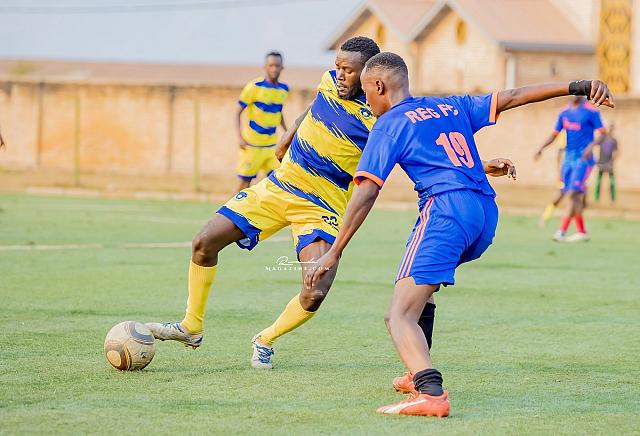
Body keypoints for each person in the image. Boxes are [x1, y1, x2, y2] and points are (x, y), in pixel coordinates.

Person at [306, 52, 613, 417]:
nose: (366, 101)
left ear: (378, 86)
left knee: (398, 315)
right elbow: (514, 96)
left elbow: (367, 191)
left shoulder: (388, 125)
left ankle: (430, 392)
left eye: (366, 92)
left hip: (446, 212)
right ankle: (414, 370)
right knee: (419, 289)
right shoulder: (449, 106)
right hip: (484, 214)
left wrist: (335, 250)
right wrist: (579, 85)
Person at [146, 36, 381, 369]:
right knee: (203, 242)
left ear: (369, 74)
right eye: (338, 67)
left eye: (349, 70)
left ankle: (265, 339)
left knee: (315, 292)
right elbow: (315, 106)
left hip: (321, 207)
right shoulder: (329, 82)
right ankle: (191, 327)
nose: (340, 75)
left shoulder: (380, 116)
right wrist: (290, 132)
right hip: (278, 186)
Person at [535, 96, 607, 242]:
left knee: (572, 193)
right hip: (568, 159)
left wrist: (591, 146)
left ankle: (561, 231)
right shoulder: (564, 113)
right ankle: (581, 231)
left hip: (584, 160)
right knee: (574, 195)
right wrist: (541, 148)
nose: (575, 93)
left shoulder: (591, 111)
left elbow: (603, 134)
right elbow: (554, 134)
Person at [235, 51, 289, 192]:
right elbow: (237, 112)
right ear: (265, 67)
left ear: (282, 67)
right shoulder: (254, 87)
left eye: (277, 66)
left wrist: (287, 133)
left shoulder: (284, 90)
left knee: (278, 183)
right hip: (252, 145)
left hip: (271, 146)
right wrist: (239, 137)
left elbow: (278, 112)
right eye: (271, 65)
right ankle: (230, 207)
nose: (274, 69)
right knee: (244, 184)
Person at [591, 122, 618, 203]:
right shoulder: (602, 138)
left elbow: (617, 151)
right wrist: (595, 159)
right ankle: (596, 199)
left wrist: (613, 159)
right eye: (609, 128)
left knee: (612, 182)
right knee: (598, 182)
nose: (610, 130)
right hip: (601, 163)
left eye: (612, 128)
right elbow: (593, 145)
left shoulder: (614, 140)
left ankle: (613, 199)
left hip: (609, 164)